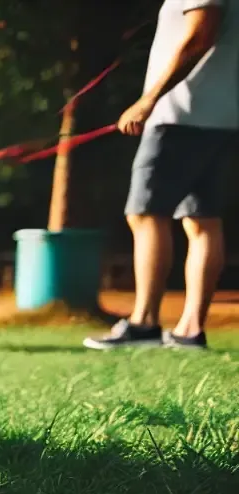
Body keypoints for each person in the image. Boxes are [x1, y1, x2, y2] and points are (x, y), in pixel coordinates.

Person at [87, 0, 237, 351]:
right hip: (223, 118)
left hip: (178, 118)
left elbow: (200, 37)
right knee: (203, 221)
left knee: (145, 214)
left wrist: (149, 100)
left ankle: (144, 323)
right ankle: (189, 331)